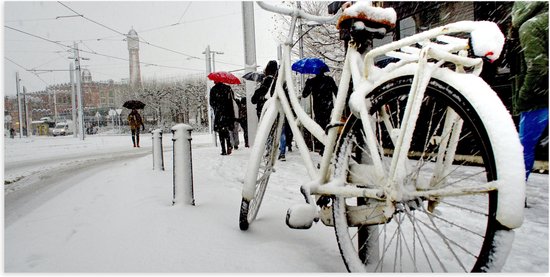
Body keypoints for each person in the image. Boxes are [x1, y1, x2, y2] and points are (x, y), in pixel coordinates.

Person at [510, 1, 548, 182]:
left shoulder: (530, 26)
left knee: (523, 148)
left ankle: (517, 192)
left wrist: (523, 96)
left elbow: (537, 66)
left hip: (539, 99)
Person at [302, 69, 338, 155]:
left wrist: (308, 84)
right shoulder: (329, 80)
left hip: (318, 107)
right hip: (327, 106)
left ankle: (323, 146)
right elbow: (337, 92)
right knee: (327, 125)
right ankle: (327, 146)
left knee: (320, 126)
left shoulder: (312, 81)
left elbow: (304, 94)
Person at [209, 81, 236, 155]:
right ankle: (229, 144)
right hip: (227, 112)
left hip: (219, 113)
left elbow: (211, 102)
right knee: (226, 129)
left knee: (220, 131)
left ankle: (223, 149)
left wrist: (217, 107)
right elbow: (231, 101)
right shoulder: (227, 88)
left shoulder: (213, 89)